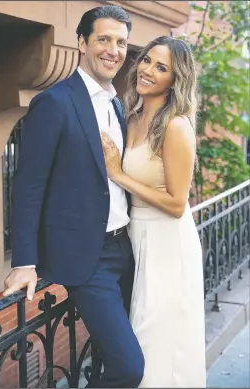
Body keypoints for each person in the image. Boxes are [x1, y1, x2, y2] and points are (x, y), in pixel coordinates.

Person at [3, 5, 144, 388]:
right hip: (89, 257)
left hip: (123, 249)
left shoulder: (116, 103)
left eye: (120, 42)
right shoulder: (55, 102)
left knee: (116, 353)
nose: (113, 50)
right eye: (103, 39)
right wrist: (26, 261)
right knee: (129, 368)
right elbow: (28, 185)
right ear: (82, 42)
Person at [101, 36, 206, 388]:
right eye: (147, 60)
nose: (147, 70)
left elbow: (178, 204)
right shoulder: (130, 116)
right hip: (137, 240)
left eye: (161, 68)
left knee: (158, 347)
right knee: (143, 341)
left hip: (168, 245)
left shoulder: (175, 126)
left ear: (175, 80)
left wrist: (118, 174)